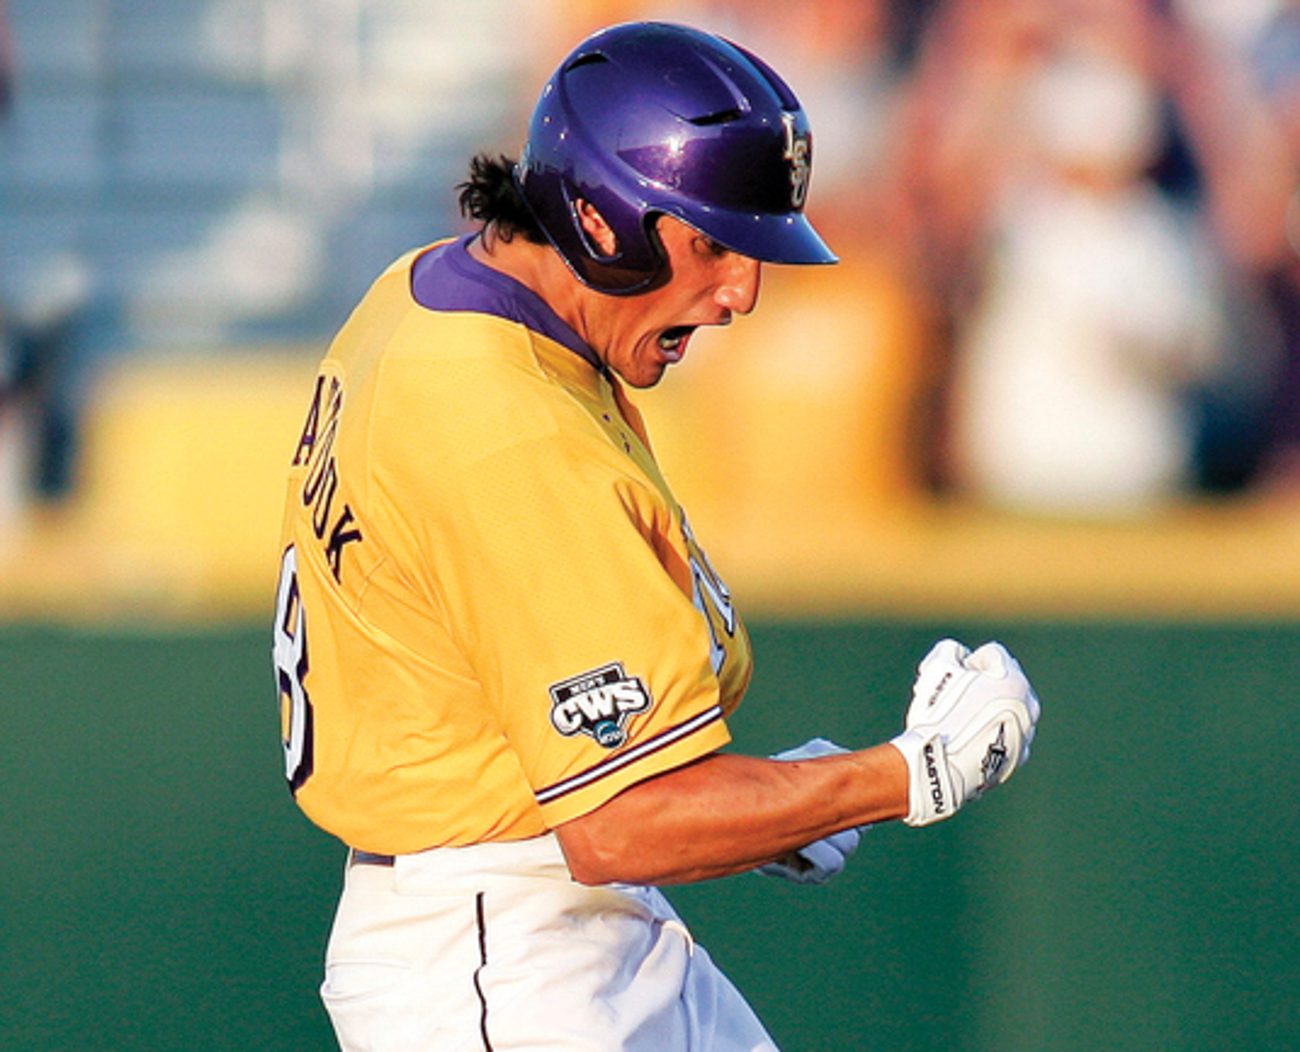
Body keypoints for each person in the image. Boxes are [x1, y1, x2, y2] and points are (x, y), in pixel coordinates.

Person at [272, 21, 1042, 1052]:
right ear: (598, 220)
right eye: (712, 243)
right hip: (504, 956)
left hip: (536, 911)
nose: (741, 292)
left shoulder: (433, 293)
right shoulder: (506, 427)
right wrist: (905, 772)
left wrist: (771, 801)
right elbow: (621, 821)